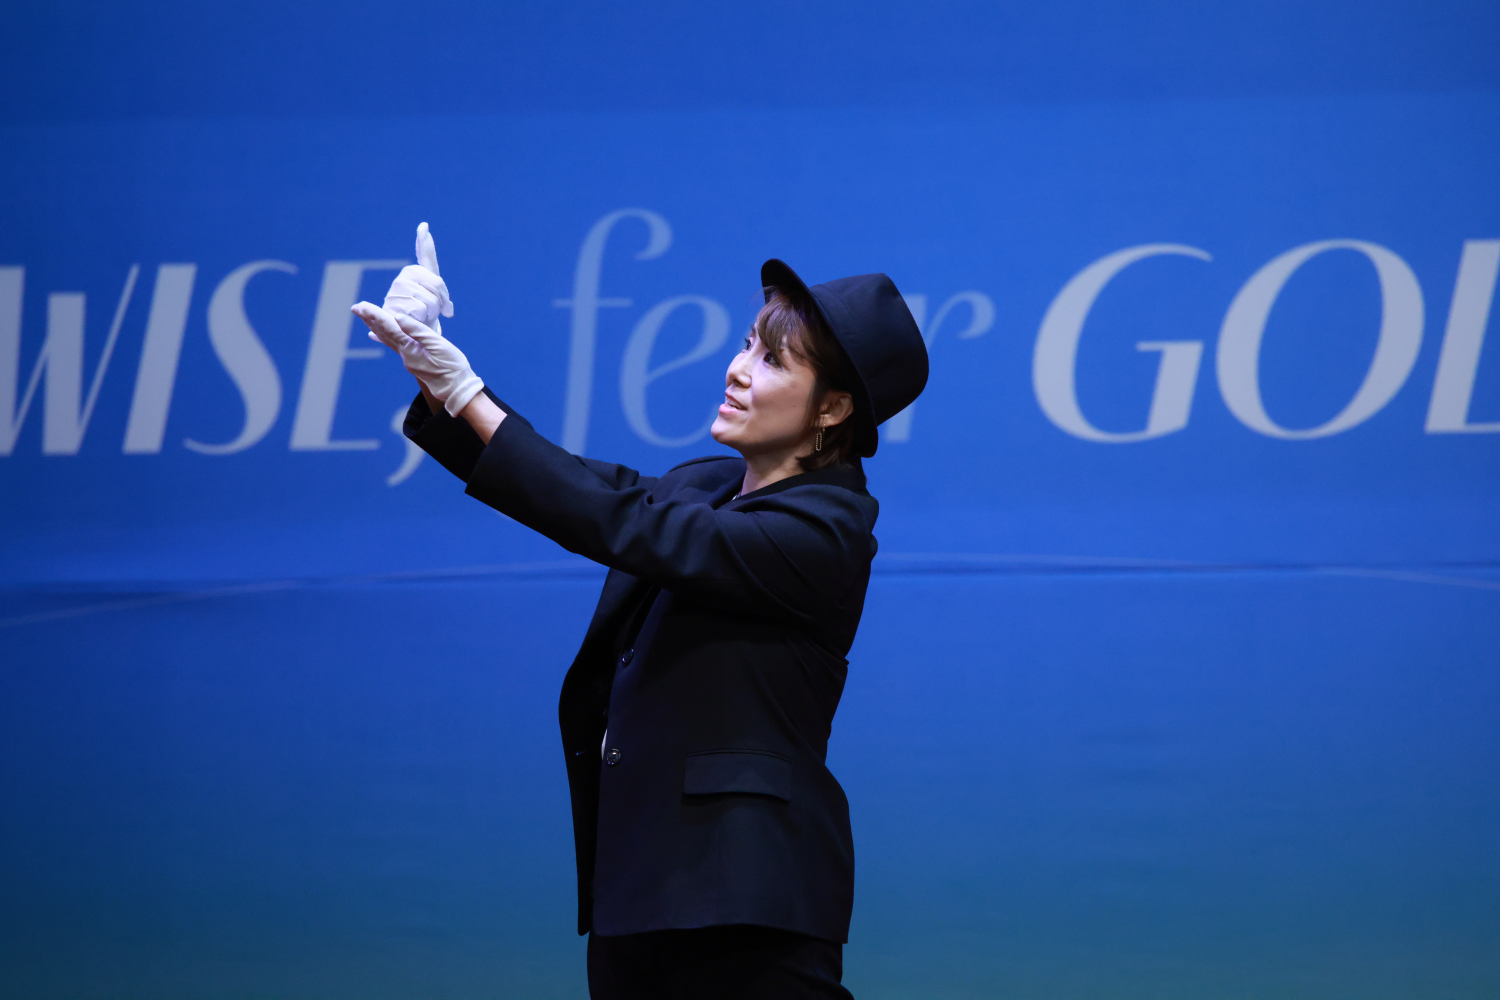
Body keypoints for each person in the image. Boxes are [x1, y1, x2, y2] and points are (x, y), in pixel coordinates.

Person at [352, 224, 929, 1000]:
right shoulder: (702, 484)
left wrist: (467, 393)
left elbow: (623, 524)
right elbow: (582, 487)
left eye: (772, 360)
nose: (737, 370)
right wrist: (435, 374)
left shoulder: (829, 530)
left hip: (745, 906)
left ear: (833, 407)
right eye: (746, 344)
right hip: (636, 898)